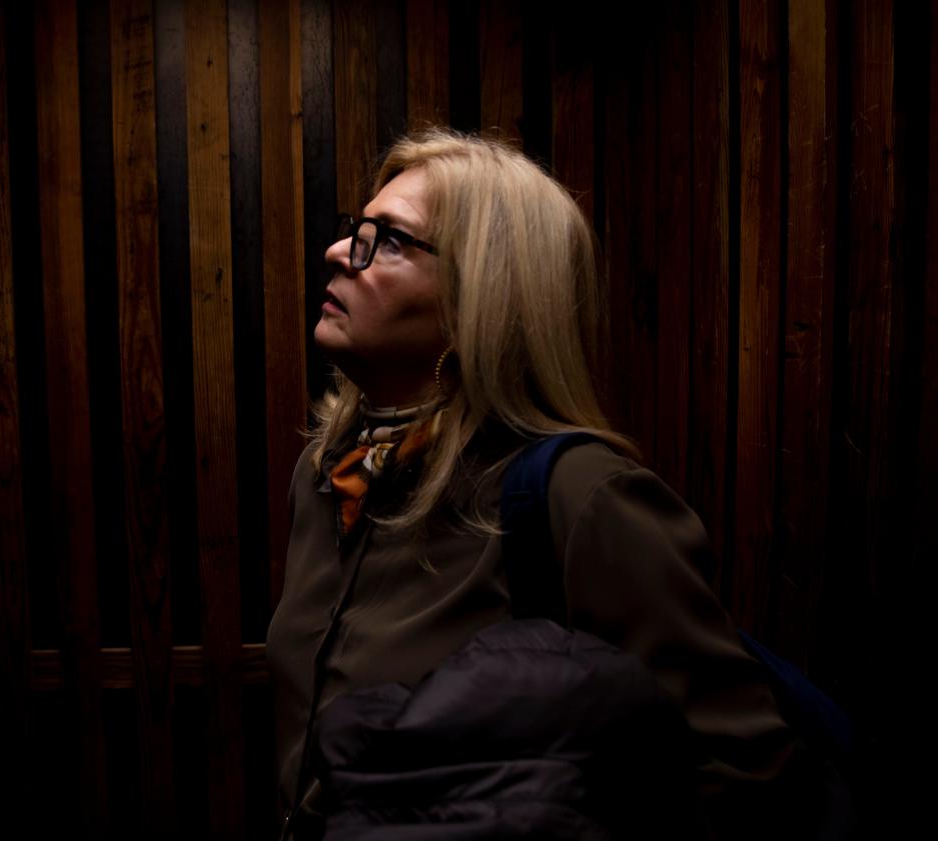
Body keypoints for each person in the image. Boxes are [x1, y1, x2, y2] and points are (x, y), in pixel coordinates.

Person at [265, 129, 810, 839]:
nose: (340, 251)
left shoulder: (579, 493)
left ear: (478, 296)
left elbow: (747, 772)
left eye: (390, 240)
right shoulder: (325, 474)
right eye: (356, 230)